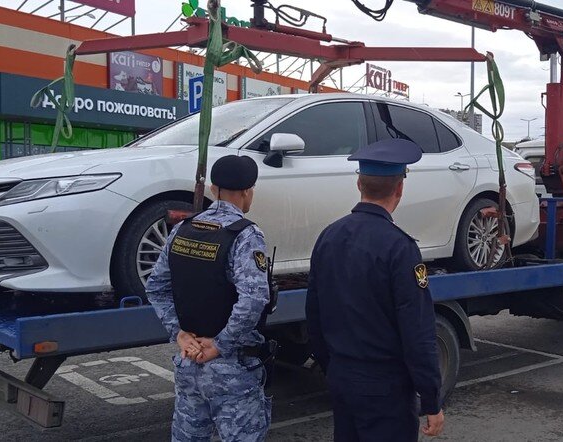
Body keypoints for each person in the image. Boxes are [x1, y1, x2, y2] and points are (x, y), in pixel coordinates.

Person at [306, 139, 445, 442]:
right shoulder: (400, 248)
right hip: (385, 386)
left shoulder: (328, 236)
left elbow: (313, 313)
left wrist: (333, 366)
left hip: (342, 376)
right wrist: (432, 399)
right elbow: (418, 333)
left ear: (359, 183)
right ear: (400, 189)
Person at [147, 155, 272, 442]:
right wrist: (220, 344)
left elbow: (156, 286)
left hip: (189, 361)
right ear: (247, 191)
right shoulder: (245, 235)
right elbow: (254, 298)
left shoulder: (183, 229)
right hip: (231, 368)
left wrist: (178, 334)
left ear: (214, 189)